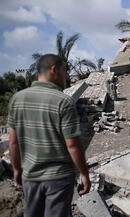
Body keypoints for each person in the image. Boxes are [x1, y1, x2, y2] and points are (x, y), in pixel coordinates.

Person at [8, 54, 91, 217]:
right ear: (54, 69)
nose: (66, 75)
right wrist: (84, 173)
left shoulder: (16, 99)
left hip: (30, 176)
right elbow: (72, 145)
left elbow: (13, 142)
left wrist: (17, 170)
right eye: (64, 70)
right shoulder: (63, 102)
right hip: (59, 178)